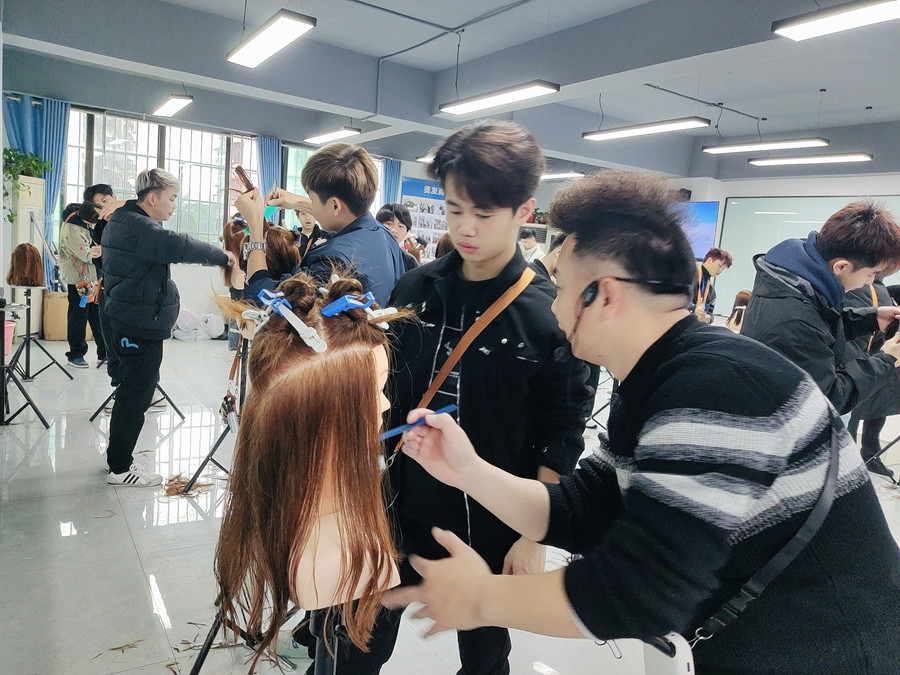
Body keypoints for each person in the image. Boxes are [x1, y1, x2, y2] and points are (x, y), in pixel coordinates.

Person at [383, 170, 900, 674]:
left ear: (605, 296)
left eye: (561, 290)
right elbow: (588, 509)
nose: (555, 309)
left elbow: (638, 595)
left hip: (830, 649)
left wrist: (481, 598)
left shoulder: (715, 390)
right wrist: (469, 471)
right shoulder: (659, 378)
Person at [338, 120, 589, 674]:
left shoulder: (548, 314)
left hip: (492, 520)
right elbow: (387, 387)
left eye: (484, 213)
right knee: (357, 645)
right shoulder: (416, 287)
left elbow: (562, 431)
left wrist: (533, 536)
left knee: (483, 659)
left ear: (524, 212)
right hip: (395, 504)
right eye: (455, 210)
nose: (466, 228)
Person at [216, 273, 408, 672]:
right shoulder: (328, 557)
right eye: (374, 391)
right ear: (316, 417)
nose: (386, 404)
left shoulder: (300, 503)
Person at [102, 168, 235, 487]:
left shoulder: (122, 220)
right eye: (172, 198)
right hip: (137, 323)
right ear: (152, 198)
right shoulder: (141, 228)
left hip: (126, 316)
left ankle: (118, 458)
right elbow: (179, 245)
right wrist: (224, 257)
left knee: (132, 390)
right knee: (135, 395)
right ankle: (119, 468)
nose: (175, 205)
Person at [742, 202, 900, 415]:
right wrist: (887, 359)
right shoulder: (793, 321)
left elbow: (820, 326)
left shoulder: (798, 282)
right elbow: (828, 399)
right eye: (871, 274)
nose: (870, 282)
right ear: (841, 267)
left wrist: (872, 318)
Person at [239, 143, 404, 307]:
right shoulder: (385, 236)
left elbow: (264, 297)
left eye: (312, 199)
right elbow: (340, 212)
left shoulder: (332, 261)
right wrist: (297, 202)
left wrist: (255, 223)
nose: (310, 204)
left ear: (335, 206)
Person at [844, 273, 900, 478]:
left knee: (880, 405)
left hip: (881, 352)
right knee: (851, 403)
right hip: (855, 352)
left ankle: (871, 453)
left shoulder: (881, 287)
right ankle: (846, 457)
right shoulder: (856, 284)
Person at [58, 203, 106, 368]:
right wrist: (100, 250)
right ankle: (76, 354)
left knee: (97, 316)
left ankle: (104, 353)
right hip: (78, 280)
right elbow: (86, 254)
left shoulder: (83, 223)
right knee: (78, 317)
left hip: (91, 278)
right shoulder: (72, 229)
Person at [84, 183, 123, 379]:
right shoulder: (100, 227)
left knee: (135, 343)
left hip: (132, 288)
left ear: (114, 197)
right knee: (109, 335)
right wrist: (97, 254)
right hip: (109, 286)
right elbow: (100, 263)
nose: (104, 209)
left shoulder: (131, 218)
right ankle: (117, 384)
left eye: (106, 201)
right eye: (98, 206)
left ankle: (146, 387)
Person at [689, 247, 732, 323]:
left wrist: (708, 318)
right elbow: (677, 299)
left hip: (696, 325)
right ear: (709, 260)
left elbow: (710, 313)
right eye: (720, 266)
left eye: (723, 269)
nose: (720, 271)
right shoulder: (689, 276)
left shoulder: (711, 289)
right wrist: (693, 308)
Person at [376, 203, 419, 272]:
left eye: (401, 226)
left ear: (406, 232)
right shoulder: (369, 254)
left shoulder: (409, 261)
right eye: (389, 224)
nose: (395, 230)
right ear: (377, 226)